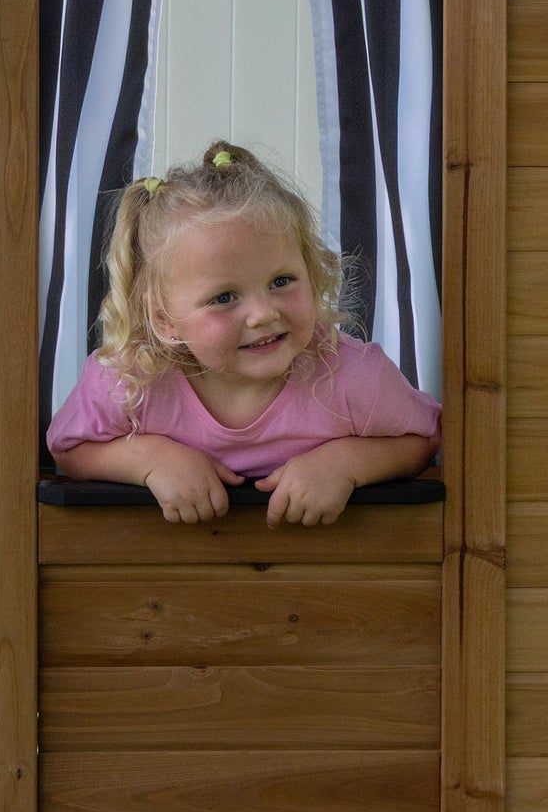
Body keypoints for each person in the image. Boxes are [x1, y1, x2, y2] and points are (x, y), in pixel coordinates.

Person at [47, 141, 441, 527]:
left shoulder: (354, 375)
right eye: (224, 297)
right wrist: (152, 461)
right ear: (163, 318)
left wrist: (344, 465)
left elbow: (423, 439)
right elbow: (68, 448)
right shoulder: (131, 380)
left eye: (282, 280)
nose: (264, 314)